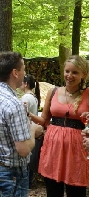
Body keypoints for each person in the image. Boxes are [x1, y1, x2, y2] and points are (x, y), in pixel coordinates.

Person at [0, 51, 43, 196]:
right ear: (15, 73)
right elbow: (23, 150)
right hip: (10, 173)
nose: (25, 73)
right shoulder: (14, 105)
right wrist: (33, 131)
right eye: (23, 68)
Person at [29, 55, 89, 197]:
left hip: (77, 149)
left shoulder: (87, 94)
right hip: (53, 148)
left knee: (76, 191)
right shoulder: (54, 91)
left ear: (84, 74)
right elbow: (44, 120)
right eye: (67, 71)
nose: (69, 75)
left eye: (75, 72)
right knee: (53, 191)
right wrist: (28, 114)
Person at [19, 74, 41, 188]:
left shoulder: (26, 98)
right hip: (32, 129)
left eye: (22, 82)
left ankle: (26, 183)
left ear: (26, 84)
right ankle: (29, 181)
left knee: (26, 159)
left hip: (27, 130)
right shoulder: (33, 96)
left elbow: (23, 116)